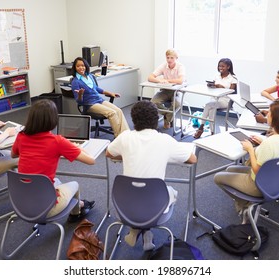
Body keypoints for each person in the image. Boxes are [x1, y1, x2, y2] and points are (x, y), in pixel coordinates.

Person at [106, 100, 197, 251]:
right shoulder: (165, 140)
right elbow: (192, 159)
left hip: (124, 206)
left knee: (142, 195)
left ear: (133, 120)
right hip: (155, 208)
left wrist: (128, 155)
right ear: (156, 120)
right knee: (170, 192)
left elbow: (109, 153)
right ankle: (145, 231)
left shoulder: (125, 137)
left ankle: (137, 230)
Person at [11, 99, 96, 222]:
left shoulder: (21, 136)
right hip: (46, 208)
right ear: (53, 120)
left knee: (56, 180)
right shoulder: (57, 141)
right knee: (75, 185)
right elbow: (91, 161)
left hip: (21, 203)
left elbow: (13, 155)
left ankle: (80, 203)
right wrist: (77, 148)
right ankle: (76, 212)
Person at [214, 98, 279, 223]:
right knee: (230, 169)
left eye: (269, 112)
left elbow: (257, 169)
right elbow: (277, 147)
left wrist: (250, 150)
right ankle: (244, 204)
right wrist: (262, 141)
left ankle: (244, 204)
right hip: (276, 180)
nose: (267, 114)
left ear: (276, 118)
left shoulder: (269, 143)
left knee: (218, 177)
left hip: (258, 185)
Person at [70, 57, 130, 138]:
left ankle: (126, 135)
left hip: (99, 100)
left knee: (118, 111)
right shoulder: (75, 82)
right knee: (112, 113)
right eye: (78, 66)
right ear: (75, 68)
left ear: (86, 66)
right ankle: (118, 138)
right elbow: (79, 102)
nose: (81, 67)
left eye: (83, 65)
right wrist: (80, 94)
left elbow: (97, 89)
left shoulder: (90, 76)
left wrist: (110, 93)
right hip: (89, 104)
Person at [194, 58, 237, 138]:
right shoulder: (217, 76)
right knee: (211, 109)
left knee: (208, 105)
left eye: (223, 66)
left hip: (225, 100)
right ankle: (212, 132)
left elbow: (231, 91)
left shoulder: (233, 78)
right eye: (219, 66)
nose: (220, 68)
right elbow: (214, 88)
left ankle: (201, 128)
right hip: (215, 99)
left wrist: (222, 87)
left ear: (228, 67)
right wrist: (211, 86)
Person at [148, 49, 186, 129]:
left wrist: (167, 80)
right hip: (165, 91)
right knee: (153, 102)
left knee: (177, 104)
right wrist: (159, 80)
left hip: (177, 91)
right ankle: (168, 116)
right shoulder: (163, 66)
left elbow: (180, 80)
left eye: (172, 58)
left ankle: (167, 120)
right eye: (168, 57)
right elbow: (150, 77)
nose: (169, 60)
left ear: (176, 58)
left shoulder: (180, 67)